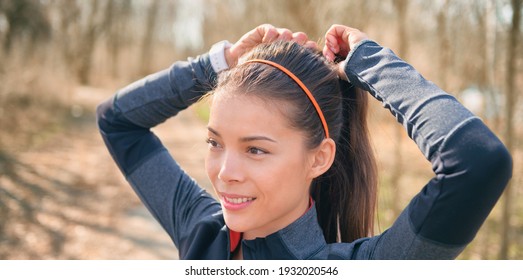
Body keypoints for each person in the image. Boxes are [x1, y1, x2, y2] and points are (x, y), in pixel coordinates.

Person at [96, 24, 512, 259]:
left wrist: (371, 63)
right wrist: (220, 63)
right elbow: (118, 122)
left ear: (319, 158)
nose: (225, 174)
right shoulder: (203, 232)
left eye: (255, 149)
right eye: (215, 142)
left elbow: (478, 163)